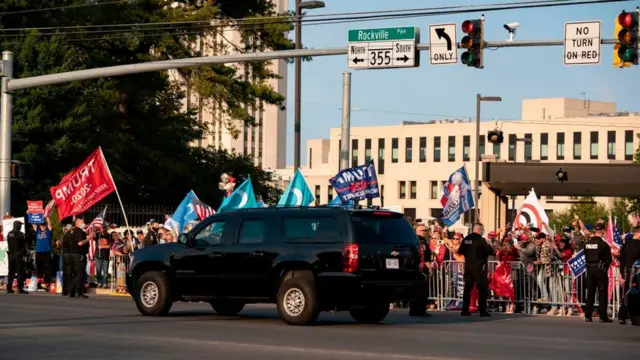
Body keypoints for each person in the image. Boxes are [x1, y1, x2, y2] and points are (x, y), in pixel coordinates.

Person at [456, 223, 494, 316]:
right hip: (479, 267)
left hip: (468, 266)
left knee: (467, 289)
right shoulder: (481, 240)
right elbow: (490, 251)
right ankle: (482, 310)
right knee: (482, 289)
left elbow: (460, 251)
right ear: (480, 230)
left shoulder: (466, 239)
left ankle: (465, 310)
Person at [583, 222, 612, 323]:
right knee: (602, 293)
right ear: (603, 231)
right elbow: (608, 260)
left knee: (590, 293)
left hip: (589, 270)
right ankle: (603, 316)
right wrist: (604, 268)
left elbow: (585, 256)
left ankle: (587, 316)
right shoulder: (603, 244)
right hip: (600, 270)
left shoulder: (587, 243)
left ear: (595, 231)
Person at [618, 225, 640, 324]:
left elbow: (621, 260)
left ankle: (622, 316)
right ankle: (633, 316)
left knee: (626, 294)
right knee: (635, 294)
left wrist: (622, 273)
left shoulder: (626, 244)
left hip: (627, 272)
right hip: (637, 272)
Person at [64, 218, 91, 298]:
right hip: (78, 255)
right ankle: (78, 292)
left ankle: (71, 291)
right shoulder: (78, 230)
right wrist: (89, 238)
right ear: (78, 223)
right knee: (80, 273)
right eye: (82, 221)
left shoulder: (73, 231)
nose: (84, 223)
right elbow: (80, 243)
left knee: (75, 274)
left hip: (73, 255)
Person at [409, 224, 432, 317]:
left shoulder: (412, 240)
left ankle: (413, 309)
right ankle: (420, 310)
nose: (425, 232)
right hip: (422, 269)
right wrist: (429, 268)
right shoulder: (421, 241)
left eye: (426, 230)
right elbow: (425, 256)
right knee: (423, 290)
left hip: (415, 268)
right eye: (424, 230)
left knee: (416, 289)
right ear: (419, 231)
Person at [6, 220, 28, 294]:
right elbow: (23, 246)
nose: (21, 226)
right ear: (17, 225)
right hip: (18, 254)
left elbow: (8, 243)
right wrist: (24, 254)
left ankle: (9, 288)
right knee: (19, 271)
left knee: (11, 271)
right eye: (20, 225)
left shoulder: (9, 234)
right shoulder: (21, 234)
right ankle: (19, 288)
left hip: (10, 254)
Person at [33, 217, 53, 287]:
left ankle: (47, 282)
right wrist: (30, 214)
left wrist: (47, 217)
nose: (41, 226)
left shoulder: (48, 230)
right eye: (41, 225)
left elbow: (50, 224)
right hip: (38, 252)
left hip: (46, 252)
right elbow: (33, 223)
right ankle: (39, 283)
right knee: (39, 267)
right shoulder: (38, 230)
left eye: (43, 225)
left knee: (47, 268)